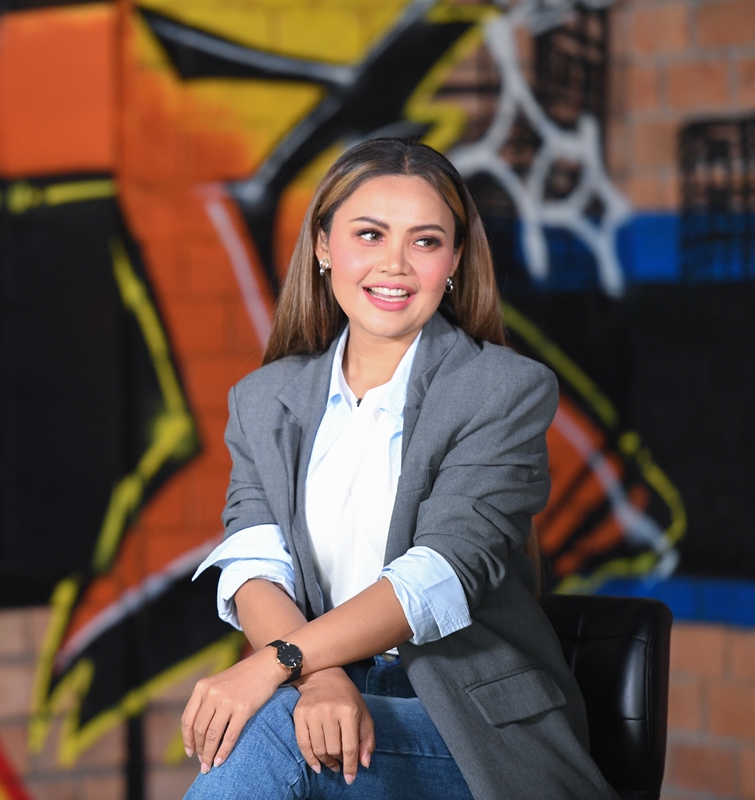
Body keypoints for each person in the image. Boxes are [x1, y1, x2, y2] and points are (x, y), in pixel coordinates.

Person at [181, 139, 615, 800]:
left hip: (469, 724)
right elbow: (253, 564)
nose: (395, 264)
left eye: (425, 241)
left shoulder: (504, 390)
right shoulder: (264, 399)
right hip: (320, 691)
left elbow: (439, 575)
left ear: (454, 261)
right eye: (370, 234)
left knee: (267, 732)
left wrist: (279, 663)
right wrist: (317, 677)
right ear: (324, 246)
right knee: (278, 729)